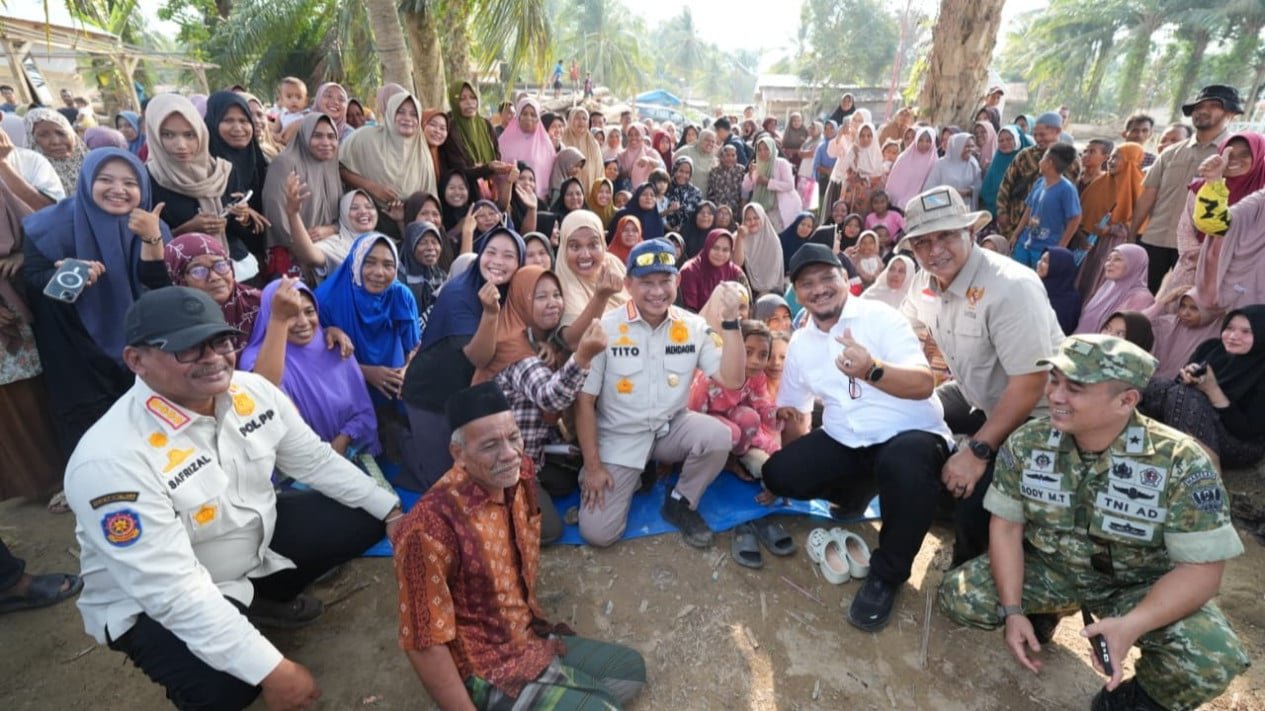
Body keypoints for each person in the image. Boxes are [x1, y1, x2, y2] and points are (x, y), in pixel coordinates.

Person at [64, 286, 402, 710]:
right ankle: (223, 654)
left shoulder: (251, 391)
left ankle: (266, 602)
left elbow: (315, 460)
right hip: (154, 601)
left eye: (220, 341)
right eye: (187, 348)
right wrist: (272, 669)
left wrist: (390, 509)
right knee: (230, 687)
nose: (212, 358)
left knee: (363, 513)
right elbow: (173, 590)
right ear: (136, 360)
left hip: (249, 543)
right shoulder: (110, 460)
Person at [938, 334, 1249, 711]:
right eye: (1054, 380)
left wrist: (1133, 624)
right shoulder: (1028, 443)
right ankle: (1044, 613)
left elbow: (1201, 571)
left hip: (1137, 586)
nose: (1055, 395)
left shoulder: (1181, 462)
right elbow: (1006, 527)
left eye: (1076, 388)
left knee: (1211, 658)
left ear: (1126, 400)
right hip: (1053, 569)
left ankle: (1135, 699)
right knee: (962, 595)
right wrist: (1013, 609)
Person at [393, 381, 646, 709]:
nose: (510, 454)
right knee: (605, 706)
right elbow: (424, 644)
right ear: (459, 454)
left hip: (528, 637)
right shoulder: (428, 529)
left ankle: (550, 682)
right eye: (489, 445)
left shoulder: (520, 475)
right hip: (483, 668)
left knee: (627, 671)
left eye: (513, 437)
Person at [764, 243, 952, 630]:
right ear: (796, 293)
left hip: (909, 433)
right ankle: (854, 492)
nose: (818, 290)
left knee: (901, 463)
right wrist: (785, 475)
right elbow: (796, 411)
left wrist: (872, 371)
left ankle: (887, 575)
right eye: (806, 284)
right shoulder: (800, 342)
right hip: (846, 439)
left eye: (826, 278)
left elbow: (923, 385)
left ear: (844, 280)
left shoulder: (880, 317)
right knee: (779, 473)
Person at [898, 186, 1064, 569]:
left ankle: (970, 574)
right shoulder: (923, 281)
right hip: (979, 395)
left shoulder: (1010, 286)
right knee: (906, 419)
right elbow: (900, 324)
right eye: (922, 242)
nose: (934, 249)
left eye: (946, 236)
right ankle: (937, 500)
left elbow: (1030, 383)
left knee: (981, 496)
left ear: (970, 233)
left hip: (1039, 413)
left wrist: (977, 450)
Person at [576, 239, 746, 548]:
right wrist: (593, 467)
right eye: (646, 282)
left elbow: (732, 380)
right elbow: (584, 401)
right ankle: (641, 472)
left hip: (670, 427)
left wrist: (732, 322)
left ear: (677, 281)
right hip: (621, 437)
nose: (657, 292)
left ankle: (680, 500)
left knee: (718, 436)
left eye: (665, 281)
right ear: (628, 284)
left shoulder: (693, 326)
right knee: (598, 533)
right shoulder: (606, 328)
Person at [22, 148, 171, 457]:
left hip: (140, 342)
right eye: (105, 180)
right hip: (75, 345)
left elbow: (158, 284)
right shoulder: (48, 227)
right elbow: (34, 281)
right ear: (87, 180)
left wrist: (152, 239)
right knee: (90, 430)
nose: (118, 190)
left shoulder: (152, 226)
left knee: (147, 425)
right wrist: (66, 275)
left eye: (130, 183)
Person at [475, 265, 608, 543]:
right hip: (503, 461)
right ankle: (497, 499)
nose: (553, 303)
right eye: (541, 297)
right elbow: (551, 397)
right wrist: (582, 357)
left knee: (568, 482)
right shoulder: (515, 348)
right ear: (522, 299)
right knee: (550, 532)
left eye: (557, 295)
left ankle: (528, 483)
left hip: (531, 452)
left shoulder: (534, 337)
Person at [399, 227, 524, 491]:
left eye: (509, 255)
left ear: (519, 263)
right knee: (440, 483)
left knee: (471, 472)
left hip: (466, 391)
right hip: (430, 392)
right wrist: (490, 314)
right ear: (480, 256)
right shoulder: (459, 293)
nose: (498, 261)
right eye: (490, 252)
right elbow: (478, 356)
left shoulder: (512, 292)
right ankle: (402, 439)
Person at [239, 278, 378, 456]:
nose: (303, 322)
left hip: (349, 452)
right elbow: (266, 392)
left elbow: (363, 409)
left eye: (309, 311)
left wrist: (344, 438)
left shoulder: (334, 345)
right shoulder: (256, 361)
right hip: (298, 466)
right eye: (289, 315)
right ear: (271, 316)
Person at [1128, 85, 1240, 292]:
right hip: (1155, 239)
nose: (1202, 110)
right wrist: (1132, 233)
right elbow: (1148, 195)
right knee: (1140, 298)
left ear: (1231, 113)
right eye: (1198, 106)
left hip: (1200, 247)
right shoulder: (1170, 152)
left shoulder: (1236, 155)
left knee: (1186, 306)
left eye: (1213, 105)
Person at [1142, 305, 1265, 469]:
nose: (1233, 336)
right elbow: (1175, 387)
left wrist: (1212, 390)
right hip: (1193, 421)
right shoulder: (1212, 348)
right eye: (1229, 328)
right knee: (1157, 386)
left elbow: (1247, 431)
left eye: (1246, 332)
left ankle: (1204, 472)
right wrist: (1187, 378)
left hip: (1238, 444)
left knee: (1184, 395)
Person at [315, 233, 420, 418]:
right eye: (369, 262)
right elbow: (315, 360)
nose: (379, 272)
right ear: (356, 262)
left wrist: (406, 370)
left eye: (388, 265)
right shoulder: (326, 300)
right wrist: (364, 372)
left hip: (395, 388)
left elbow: (415, 347)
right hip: (345, 393)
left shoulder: (400, 295)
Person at [339, 92, 438, 238]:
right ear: (391, 113)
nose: (407, 118)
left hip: (409, 227)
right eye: (401, 112)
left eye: (413, 114)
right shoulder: (365, 138)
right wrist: (372, 187)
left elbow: (429, 197)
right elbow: (338, 167)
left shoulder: (421, 151)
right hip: (366, 222)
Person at [260, 113, 343, 279]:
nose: (326, 143)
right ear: (304, 136)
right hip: (292, 254)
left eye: (331, 136)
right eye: (317, 136)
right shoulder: (284, 163)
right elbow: (275, 213)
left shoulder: (331, 164)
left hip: (325, 251)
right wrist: (301, 249)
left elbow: (339, 211)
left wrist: (331, 229)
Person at [1075, 143, 1147, 301]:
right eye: (1111, 157)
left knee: (1101, 286)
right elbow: (1081, 212)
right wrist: (1082, 235)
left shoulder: (1140, 188)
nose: (1111, 161)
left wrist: (1111, 229)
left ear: (1130, 161)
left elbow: (1140, 222)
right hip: (1090, 244)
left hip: (1115, 246)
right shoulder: (1100, 183)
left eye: (1117, 157)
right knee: (1083, 281)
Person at [996, 112, 1081, 238]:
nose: (1038, 139)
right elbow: (1006, 183)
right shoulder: (1025, 155)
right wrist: (1002, 211)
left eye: (1042, 135)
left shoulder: (1071, 160)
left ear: (1057, 131)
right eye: (1035, 135)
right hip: (1014, 221)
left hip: (1046, 228)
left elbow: (1069, 196)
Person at [164, 233, 262, 336]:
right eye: (198, 271)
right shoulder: (171, 325)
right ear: (180, 279)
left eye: (220, 265)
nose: (214, 277)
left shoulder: (262, 305)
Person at [1009, 144, 1082, 268]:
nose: (1040, 161)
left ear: (1049, 162)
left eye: (1042, 158)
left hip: (1045, 248)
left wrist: (1061, 246)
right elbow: (1029, 208)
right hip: (1026, 241)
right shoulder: (1039, 182)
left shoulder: (1067, 189)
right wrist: (1016, 234)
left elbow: (1075, 218)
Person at [1076, 245, 1154, 334]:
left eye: (1117, 259)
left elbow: (1129, 334)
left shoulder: (1141, 298)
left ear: (1135, 264)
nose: (1109, 263)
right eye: (1108, 259)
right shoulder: (1107, 288)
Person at [497, 97, 554, 200]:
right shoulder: (503, 142)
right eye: (525, 114)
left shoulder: (546, 145)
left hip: (538, 200)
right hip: (510, 200)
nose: (529, 118)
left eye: (533, 115)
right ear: (518, 116)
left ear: (538, 118)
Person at [24, 108, 87, 198]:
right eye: (43, 135)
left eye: (61, 133)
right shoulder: (29, 178)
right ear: (32, 140)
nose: (55, 141)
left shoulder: (97, 165)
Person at [744, 135, 802, 232]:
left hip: (781, 208)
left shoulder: (781, 163)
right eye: (760, 150)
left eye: (766, 149)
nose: (762, 152)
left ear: (772, 149)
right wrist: (750, 176)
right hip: (763, 208)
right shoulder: (756, 165)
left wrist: (767, 182)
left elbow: (789, 185)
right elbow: (746, 188)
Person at [679, 228, 745, 312]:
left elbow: (746, 305)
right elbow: (688, 311)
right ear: (707, 246)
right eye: (715, 248)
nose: (720, 254)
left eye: (725, 250)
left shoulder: (735, 272)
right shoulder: (690, 270)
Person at [980, 126, 1030, 223]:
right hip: (995, 217)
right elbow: (987, 191)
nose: (1004, 143)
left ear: (1017, 139)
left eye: (1009, 139)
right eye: (1001, 141)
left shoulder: (1028, 161)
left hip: (1022, 218)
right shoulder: (997, 161)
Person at [884, 127, 938, 214]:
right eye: (921, 140)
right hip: (897, 206)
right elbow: (893, 182)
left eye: (928, 141)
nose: (924, 144)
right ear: (916, 140)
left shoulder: (934, 161)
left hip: (920, 207)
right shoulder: (904, 157)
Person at [737, 202, 784, 296]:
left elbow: (773, 275)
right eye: (748, 219)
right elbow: (737, 263)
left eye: (756, 218)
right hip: (745, 290)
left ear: (762, 218)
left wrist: (763, 294)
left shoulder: (772, 240)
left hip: (769, 291)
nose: (752, 222)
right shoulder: (739, 236)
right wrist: (740, 238)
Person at [924, 133, 982, 210]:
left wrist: (968, 192)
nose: (970, 149)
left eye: (972, 146)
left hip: (967, 212)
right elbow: (928, 192)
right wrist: (948, 197)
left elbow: (979, 185)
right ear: (957, 146)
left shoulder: (973, 163)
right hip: (945, 212)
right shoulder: (941, 165)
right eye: (967, 146)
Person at [1038, 247, 1081, 335]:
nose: (1039, 263)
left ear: (1059, 266)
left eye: (1045, 261)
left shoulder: (1069, 301)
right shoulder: (1036, 286)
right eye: (1040, 259)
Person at [706, 144, 745, 215]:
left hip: (736, 211)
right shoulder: (714, 171)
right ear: (721, 157)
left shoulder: (741, 170)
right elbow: (710, 194)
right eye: (727, 155)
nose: (730, 158)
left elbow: (744, 192)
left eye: (733, 155)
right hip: (719, 211)